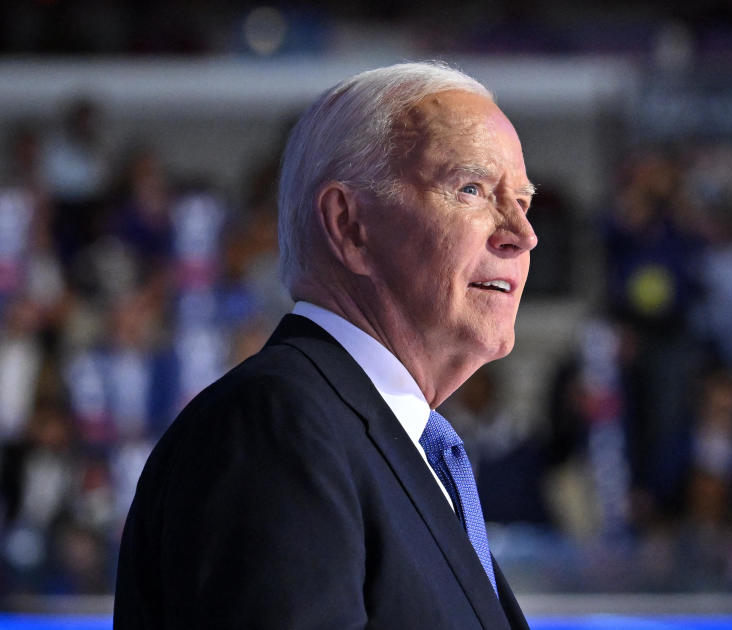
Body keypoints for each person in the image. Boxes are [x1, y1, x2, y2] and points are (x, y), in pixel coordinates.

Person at [114, 62, 537, 629]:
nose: (522, 233)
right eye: (472, 189)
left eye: (525, 201)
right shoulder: (275, 428)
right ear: (349, 224)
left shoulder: (390, 443)